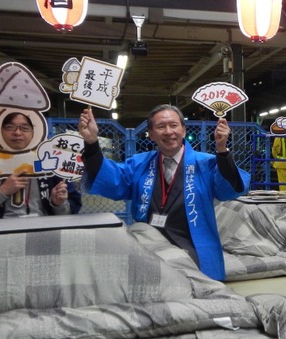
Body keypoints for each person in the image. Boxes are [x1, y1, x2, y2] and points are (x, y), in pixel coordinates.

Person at [78, 104, 249, 280]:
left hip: (194, 248)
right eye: (161, 127)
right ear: (151, 135)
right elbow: (112, 179)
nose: (168, 131)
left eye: (174, 125)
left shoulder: (207, 163)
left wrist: (222, 150)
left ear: (183, 130)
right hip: (149, 247)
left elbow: (229, 190)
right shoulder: (138, 164)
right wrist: (91, 143)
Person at [0, 112, 82, 220]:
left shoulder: (49, 164)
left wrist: (58, 203)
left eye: (25, 128)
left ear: (34, 132)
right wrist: (1, 192)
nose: (17, 133)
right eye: (9, 127)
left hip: (44, 232)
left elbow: (70, 212)